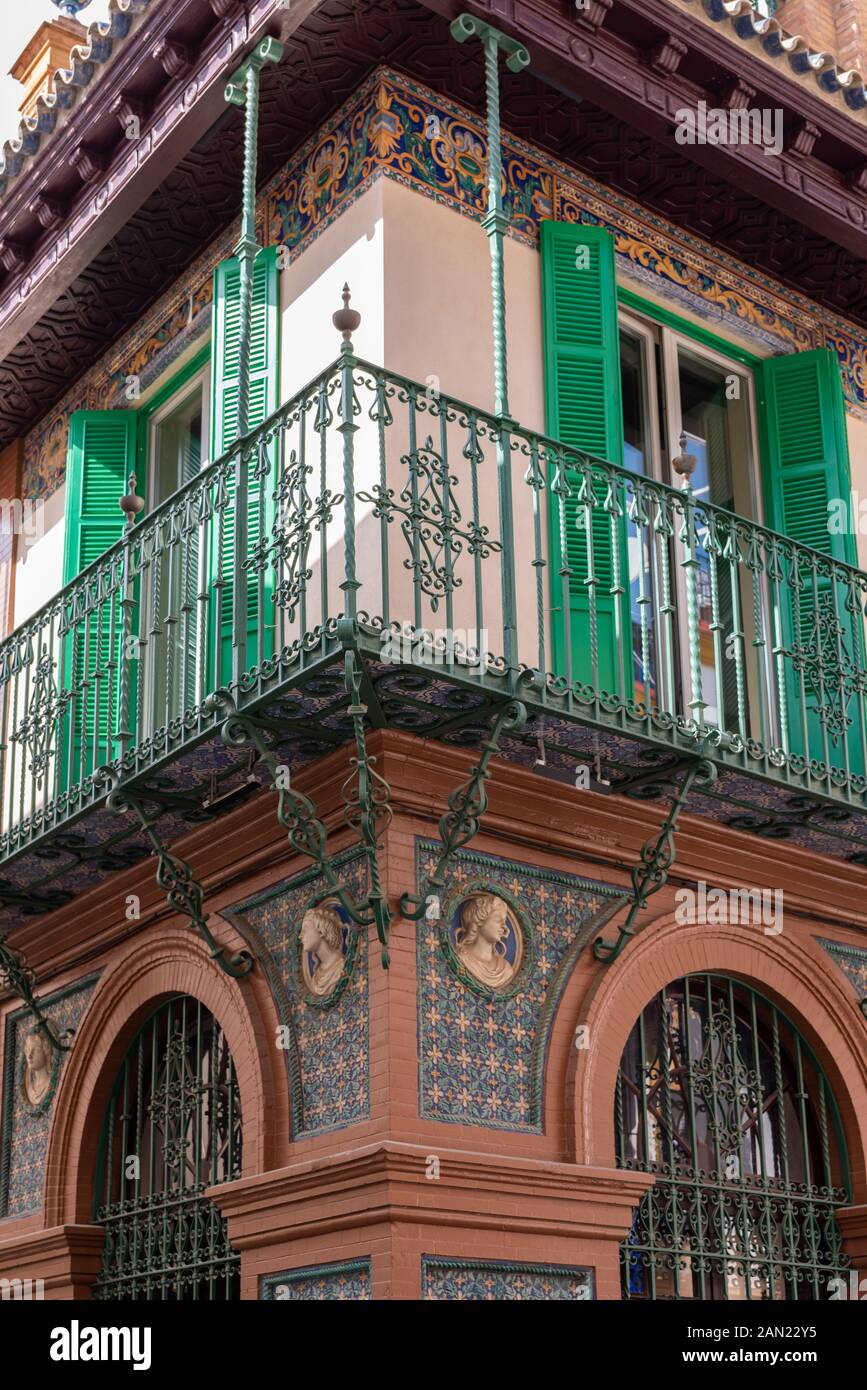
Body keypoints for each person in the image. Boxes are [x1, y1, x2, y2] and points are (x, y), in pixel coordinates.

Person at [454, 893, 516, 988]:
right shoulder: (462, 957)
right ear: (479, 920)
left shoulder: (505, 969)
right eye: (498, 920)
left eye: (504, 922)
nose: (504, 928)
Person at [300, 903, 346, 996]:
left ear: (321, 930)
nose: (300, 936)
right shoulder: (316, 978)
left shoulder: (341, 966)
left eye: (305, 930)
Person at [22, 1028, 53, 1107]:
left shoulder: (50, 1081)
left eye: (35, 1050)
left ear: (45, 1052)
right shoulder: (30, 1089)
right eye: (28, 1050)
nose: (29, 1056)